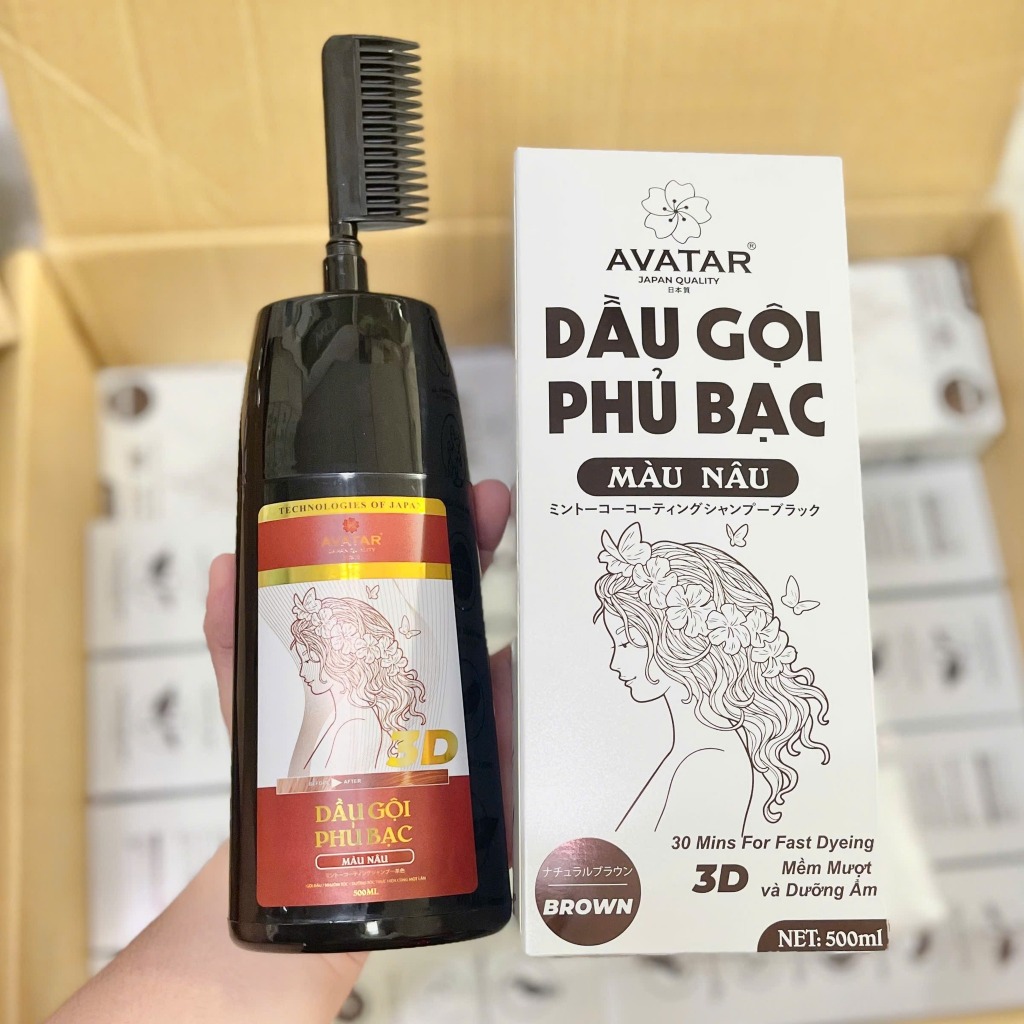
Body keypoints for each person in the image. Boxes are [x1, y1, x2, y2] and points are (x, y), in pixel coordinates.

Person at [46, 480, 513, 1024]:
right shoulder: (343, 724)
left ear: (342, 657)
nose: (301, 666)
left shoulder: (352, 730)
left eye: (310, 653)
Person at [594, 522, 830, 835]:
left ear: (681, 640)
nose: (614, 662)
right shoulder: (694, 754)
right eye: (615, 644)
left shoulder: (708, 763)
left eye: (627, 642)